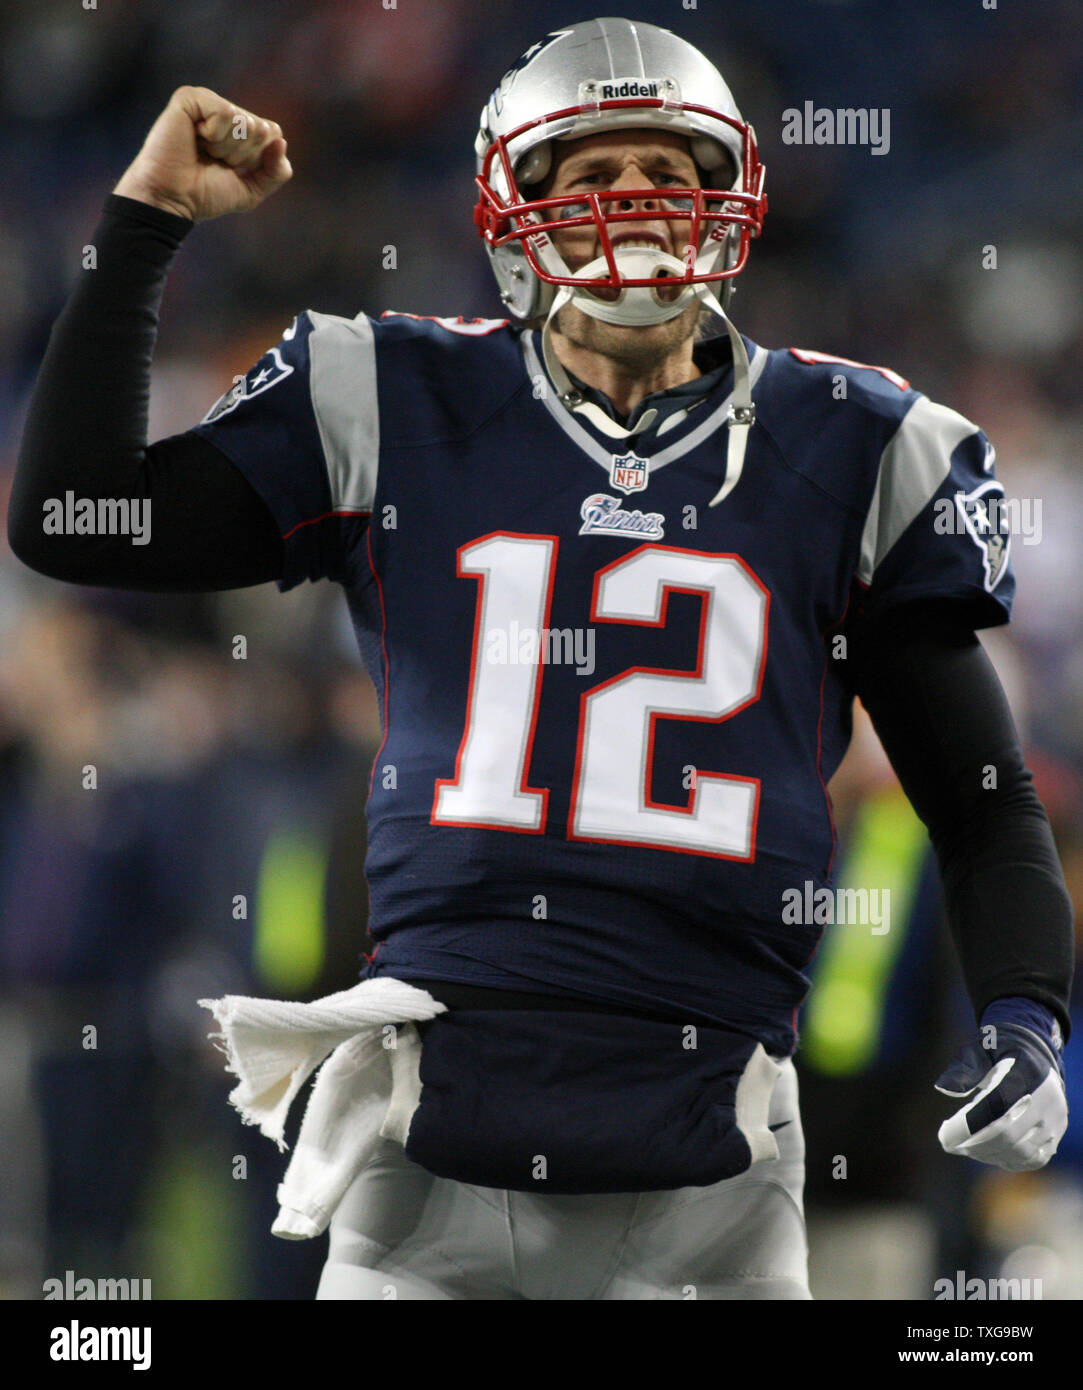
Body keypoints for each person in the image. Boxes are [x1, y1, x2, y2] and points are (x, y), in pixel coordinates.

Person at [9, 17, 1073, 1300]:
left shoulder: (854, 444)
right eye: (590, 178)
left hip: (715, 1164)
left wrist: (1026, 1016)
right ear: (512, 205)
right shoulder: (392, 396)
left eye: (669, 176)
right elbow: (71, 515)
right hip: (428, 1152)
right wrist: (146, 222)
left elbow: (982, 805)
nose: (635, 209)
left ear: (732, 195)